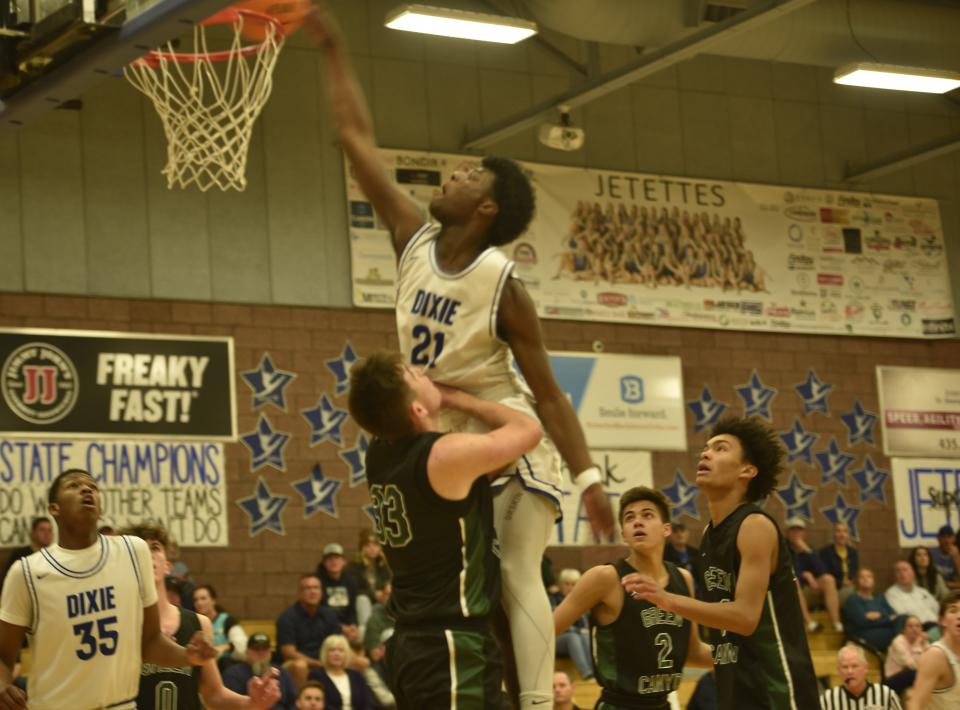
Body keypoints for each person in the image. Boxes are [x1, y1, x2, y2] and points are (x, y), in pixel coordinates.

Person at [307, 6, 615, 707]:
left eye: (471, 174)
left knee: (513, 575)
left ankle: (538, 704)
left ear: (485, 210)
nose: (455, 173)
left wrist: (589, 475)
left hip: (503, 428)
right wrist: (330, 43)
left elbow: (549, 393)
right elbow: (354, 138)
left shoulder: (503, 283)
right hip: (439, 439)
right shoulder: (414, 240)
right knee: (460, 590)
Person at [347, 350, 542, 709]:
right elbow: (529, 430)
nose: (422, 371)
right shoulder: (442, 457)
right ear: (417, 410)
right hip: (449, 647)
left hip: (419, 645)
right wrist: (456, 397)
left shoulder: (379, 453)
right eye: (413, 374)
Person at [623, 416, 818, 709]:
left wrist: (667, 599)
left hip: (776, 685)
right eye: (706, 448)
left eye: (720, 448)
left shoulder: (755, 526)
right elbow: (718, 629)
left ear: (747, 470)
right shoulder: (708, 536)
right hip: (733, 683)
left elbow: (744, 618)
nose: (706, 453)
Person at [0, 469, 218, 709]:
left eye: (92, 486)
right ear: (54, 509)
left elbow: (150, 641)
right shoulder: (27, 573)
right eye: (73, 485)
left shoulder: (133, 552)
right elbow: (3, 656)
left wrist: (187, 656)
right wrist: (2, 686)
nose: (86, 489)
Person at [555, 487, 712, 710]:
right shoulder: (605, 578)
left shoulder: (683, 579)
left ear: (666, 529)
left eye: (647, 515)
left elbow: (693, 652)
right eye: (630, 518)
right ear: (624, 534)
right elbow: (547, 630)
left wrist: (741, 655)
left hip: (662, 704)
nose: (637, 522)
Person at [122, 522, 281, 710]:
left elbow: (214, 695)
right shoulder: (118, 623)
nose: (148, 555)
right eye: (139, 549)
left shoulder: (199, 623)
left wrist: (252, 703)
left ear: (167, 566)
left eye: (154, 548)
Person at [277, 574, 343, 690]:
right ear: (299, 593)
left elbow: (338, 642)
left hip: (326, 659)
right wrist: (318, 663)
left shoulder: (329, 615)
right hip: (296, 662)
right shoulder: (287, 617)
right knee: (300, 666)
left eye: (316, 588)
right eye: (308, 588)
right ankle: (302, 704)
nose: (313, 592)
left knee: (359, 662)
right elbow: (288, 652)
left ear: (321, 592)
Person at [785, 517, 843, 632]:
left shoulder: (809, 548)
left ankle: (837, 623)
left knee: (829, 579)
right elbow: (786, 572)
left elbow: (822, 570)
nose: (796, 533)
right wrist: (805, 575)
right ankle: (809, 623)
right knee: (794, 580)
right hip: (793, 590)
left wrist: (807, 550)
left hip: (811, 589)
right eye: (793, 530)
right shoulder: (783, 549)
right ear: (787, 533)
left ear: (804, 533)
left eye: (799, 530)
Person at [906, 591, 960, 710]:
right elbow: (915, 704)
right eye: (953, 610)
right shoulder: (936, 655)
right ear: (942, 621)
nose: (959, 616)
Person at [223, 633, 299, 709]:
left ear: (270, 652)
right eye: (256, 649)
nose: (261, 653)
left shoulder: (282, 673)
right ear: (247, 652)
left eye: (265, 649)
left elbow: (293, 703)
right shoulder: (233, 674)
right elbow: (232, 705)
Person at [819, 644, 903, 709]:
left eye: (854, 666)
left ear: (865, 668)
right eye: (845, 667)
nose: (850, 671)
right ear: (839, 671)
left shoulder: (886, 694)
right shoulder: (828, 698)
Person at [842, 567, 901, 652]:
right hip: (863, 635)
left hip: (885, 631)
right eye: (862, 577)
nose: (866, 579)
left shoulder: (879, 598)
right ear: (857, 581)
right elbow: (862, 622)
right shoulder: (853, 600)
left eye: (869, 577)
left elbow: (893, 615)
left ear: (873, 581)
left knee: (903, 618)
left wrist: (879, 617)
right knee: (901, 636)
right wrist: (887, 618)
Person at [309, 635, 373, 710]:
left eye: (341, 650)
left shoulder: (357, 676)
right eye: (332, 650)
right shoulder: (316, 675)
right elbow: (321, 704)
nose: (337, 654)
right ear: (325, 653)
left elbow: (367, 703)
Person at [345, 530, 391, 635]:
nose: (372, 549)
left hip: (380, 605)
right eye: (368, 545)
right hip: (362, 606)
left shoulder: (384, 566)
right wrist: (374, 594)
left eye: (375, 545)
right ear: (362, 548)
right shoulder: (353, 567)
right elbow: (353, 590)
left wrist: (385, 592)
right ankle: (367, 633)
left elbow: (388, 583)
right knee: (362, 599)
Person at [550, 569, 593, 680]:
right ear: (561, 585)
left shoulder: (581, 600)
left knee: (586, 636)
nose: (570, 587)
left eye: (573, 584)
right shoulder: (553, 598)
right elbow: (557, 624)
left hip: (577, 638)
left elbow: (585, 626)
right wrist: (578, 630)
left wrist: (581, 631)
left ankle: (595, 672)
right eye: (567, 584)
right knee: (572, 637)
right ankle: (586, 673)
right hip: (555, 639)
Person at [194, 583, 249, 668]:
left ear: (213, 600)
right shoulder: (194, 622)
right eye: (196, 600)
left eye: (203, 598)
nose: (199, 603)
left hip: (225, 666)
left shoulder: (227, 620)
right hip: (203, 665)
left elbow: (242, 646)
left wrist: (225, 647)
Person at [315, 544, 361, 644]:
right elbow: (319, 610)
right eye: (329, 559)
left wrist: (353, 625)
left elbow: (352, 609)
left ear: (344, 561)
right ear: (324, 563)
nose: (334, 562)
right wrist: (340, 627)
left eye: (337, 558)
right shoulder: (317, 581)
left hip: (347, 626)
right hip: (324, 625)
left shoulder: (351, 582)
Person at [885, 560, 940, 634]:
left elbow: (937, 608)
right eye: (898, 571)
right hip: (919, 629)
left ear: (913, 573)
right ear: (895, 576)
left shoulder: (922, 591)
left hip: (937, 625)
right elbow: (903, 616)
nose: (902, 573)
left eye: (905, 570)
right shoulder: (892, 594)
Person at [884, 615, 929, 695]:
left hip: (911, 676)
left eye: (918, 626)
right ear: (903, 630)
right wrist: (918, 646)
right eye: (910, 626)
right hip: (892, 680)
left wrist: (924, 644)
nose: (914, 629)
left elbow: (932, 660)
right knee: (914, 673)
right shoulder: (898, 642)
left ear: (921, 629)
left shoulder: (922, 640)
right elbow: (912, 666)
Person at [819, 521, 859, 607]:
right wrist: (841, 583)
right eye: (838, 531)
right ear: (834, 534)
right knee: (853, 596)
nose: (842, 534)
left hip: (850, 587)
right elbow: (823, 575)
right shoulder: (826, 552)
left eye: (845, 531)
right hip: (834, 589)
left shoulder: (853, 552)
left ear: (848, 535)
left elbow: (854, 572)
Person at [663, 521, 701, 594]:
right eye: (675, 531)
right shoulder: (664, 555)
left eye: (682, 531)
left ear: (687, 533)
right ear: (670, 534)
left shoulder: (696, 553)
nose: (679, 534)